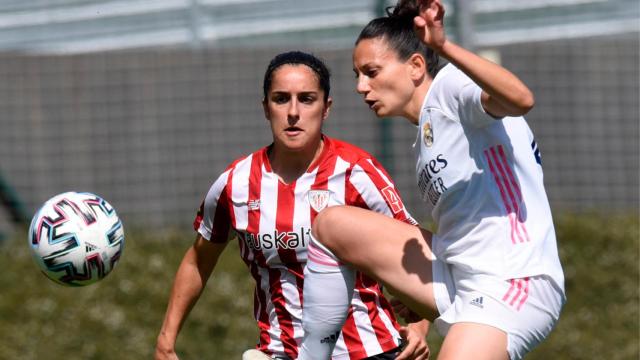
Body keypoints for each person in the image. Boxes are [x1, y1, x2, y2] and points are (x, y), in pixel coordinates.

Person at [298, 1, 565, 360]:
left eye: (371, 71)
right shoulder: (425, 131)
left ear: (416, 66)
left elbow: (520, 99)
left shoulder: (451, 89)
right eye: (357, 75)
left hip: (513, 280)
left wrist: (444, 46)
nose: (362, 86)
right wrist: (420, 305)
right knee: (332, 224)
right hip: (459, 276)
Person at [155, 51, 431, 360]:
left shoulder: (357, 172)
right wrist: (166, 341)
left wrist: (420, 325)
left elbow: (415, 250)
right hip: (282, 353)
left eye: (307, 99)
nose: (293, 112)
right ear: (265, 108)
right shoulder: (235, 184)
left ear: (326, 109)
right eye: (281, 99)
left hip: (370, 351)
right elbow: (197, 260)